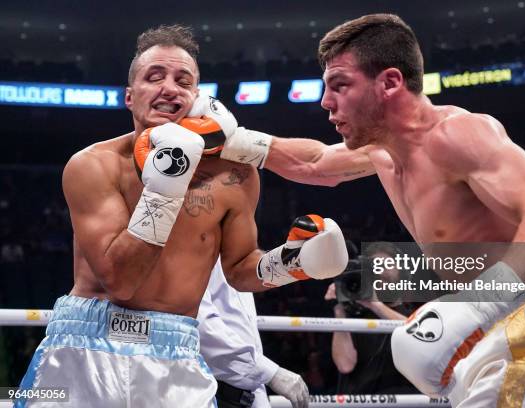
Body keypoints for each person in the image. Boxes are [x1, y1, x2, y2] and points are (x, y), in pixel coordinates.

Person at [202, 14, 525, 407]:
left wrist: (474, 307)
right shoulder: (380, 152)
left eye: (340, 85)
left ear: (391, 82)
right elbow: (312, 163)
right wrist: (233, 139)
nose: (326, 102)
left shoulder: (458, 134)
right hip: (496, 330)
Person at [15, 25, 348, 407]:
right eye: (153, 77)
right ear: (130, 96)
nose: (169, 87)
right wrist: (167, 182)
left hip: (175, 355)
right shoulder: (92, 166)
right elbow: (121, 283)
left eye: (182, 80)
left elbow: (239, 269)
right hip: (82, 350)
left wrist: (293, 263)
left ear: (198, 98)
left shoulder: (235, 175)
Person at [197, 258, 309, 408]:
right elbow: (201, 327)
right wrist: (270, 373)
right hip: (206, 392)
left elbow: (248, 337)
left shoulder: (237, 262)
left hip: (242, 396)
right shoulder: (196, 247)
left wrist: (260, 399)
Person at [324, 244, 419, 394]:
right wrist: (340, 308)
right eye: (374, 267)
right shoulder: (352, 317)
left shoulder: (417, 315)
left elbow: (416, 333)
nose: (379, 271)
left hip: (404, 400)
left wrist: (375, 305)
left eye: (385, 265)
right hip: (360, 402)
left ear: (401, 273)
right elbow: (345, 365)